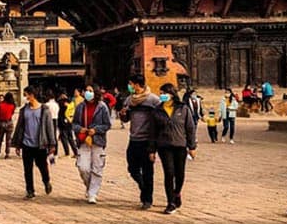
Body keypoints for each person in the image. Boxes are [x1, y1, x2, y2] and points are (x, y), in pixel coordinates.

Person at [149, 83, 197, 215]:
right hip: (164, 146)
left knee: (179, 173)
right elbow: (152, 132)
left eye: (165, 93)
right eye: (161, 93)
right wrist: (151, 150)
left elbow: (190, 128)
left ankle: (177, 193)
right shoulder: (157, 110)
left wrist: (192, 146)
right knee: (169, 173)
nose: (162, 95)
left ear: (172, 94)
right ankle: (170, 202)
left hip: (180, 145)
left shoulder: (183, 109)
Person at [120, 74, 161, 210]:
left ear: (137, 84)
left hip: (147, 140)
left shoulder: (153, 100)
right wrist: (123, 114)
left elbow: (160, 118)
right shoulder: (129, 100)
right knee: (132, 168)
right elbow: (126, 119)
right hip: (134, 139)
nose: (129, 86)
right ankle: (143, 187)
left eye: (131, 84)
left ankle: (147, 199)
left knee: (148, 171)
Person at [11, 86, 56, 199]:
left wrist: (52, 144)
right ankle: (30, 190)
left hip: (40, 144)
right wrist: (17, 144)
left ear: (32, 95)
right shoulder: (24, 110)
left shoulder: (44, 110)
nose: (25, 97)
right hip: (27, 144)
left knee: (42, 166)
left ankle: (46, 181)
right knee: (27, 169)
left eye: (26, 95)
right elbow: (19, 127)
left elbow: (49, 127)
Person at [72, 83, 112, 204]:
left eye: (90, 90)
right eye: (86, 90)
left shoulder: (102, 107)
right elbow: (74, 124)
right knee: (83, 167)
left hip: (97, 141)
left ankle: (92, 193)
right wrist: (80, 129)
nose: (88, 93)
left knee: (97, 168)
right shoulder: (80, 107)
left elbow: (107, 124)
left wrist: (96, 130)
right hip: (84, 140)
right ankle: (90, 187)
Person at [0, 92, 16, 159]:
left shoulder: (0, 105)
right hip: (9, 122)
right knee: (8, 139)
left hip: (1, 123)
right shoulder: (12, 105)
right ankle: (7, 154)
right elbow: (12, 113)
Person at [56, 93, 77, 158]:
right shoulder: (71, 104)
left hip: (62, 124)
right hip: (69, 122)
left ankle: (67, 153)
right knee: (70, 138)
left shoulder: (61, 104)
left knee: (64, 139)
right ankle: (76, 152)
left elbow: (60, 115)